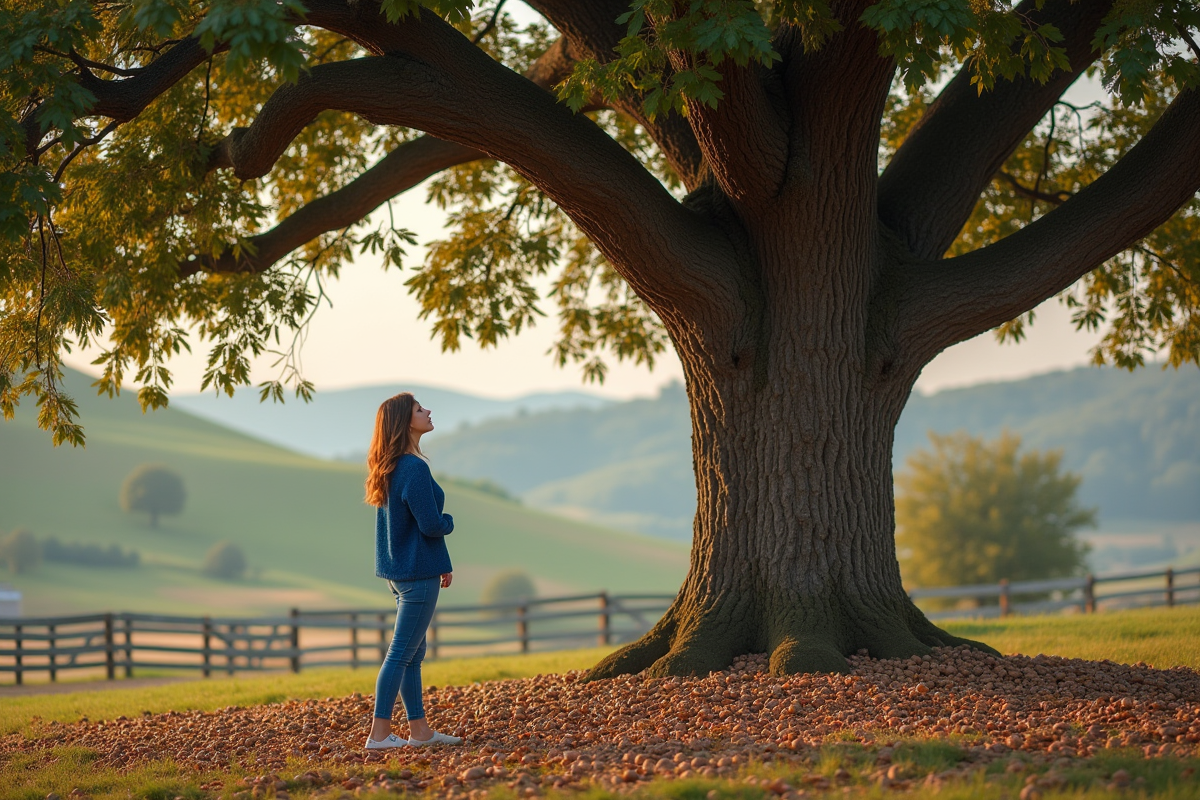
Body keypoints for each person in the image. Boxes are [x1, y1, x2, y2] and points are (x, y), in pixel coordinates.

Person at [363, 392, 462, 749]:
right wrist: (449, 522)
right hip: (418, 576)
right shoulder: (414, 468)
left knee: (412, 655)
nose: (429, 411)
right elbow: (431, 525)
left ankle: (419, 731)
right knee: (402, 654)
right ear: (406, 421)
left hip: (401, 573)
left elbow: (409, 528)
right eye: (420, 409)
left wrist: (443, 563)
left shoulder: (389, 466)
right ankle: (378, 735)